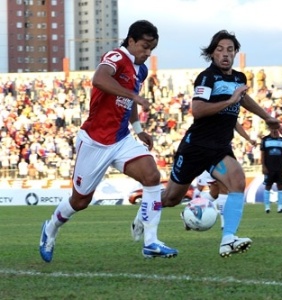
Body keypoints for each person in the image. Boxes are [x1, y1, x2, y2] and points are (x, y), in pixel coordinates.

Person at [131, 30, 282, 258]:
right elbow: (198, 110)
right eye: (220, 49)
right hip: (196, 147)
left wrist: (266, 116)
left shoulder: (239, 78)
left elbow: (245, 99)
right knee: (172, 198)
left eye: (230, 50)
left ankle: (228, 239)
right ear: (212, 54)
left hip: (219, 149)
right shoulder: (207, 77)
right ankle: (144, 213)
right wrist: (230, 100)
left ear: (235, 53)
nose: (225, 54)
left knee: (237, 181)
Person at [39, 20, 178, 263]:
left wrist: (138, 129)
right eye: (144, 47)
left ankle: (151, 242)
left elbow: (128, 102)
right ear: (131, 41)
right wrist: (134, 94)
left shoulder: (140, 69)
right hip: (95, 141)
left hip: (121, 139)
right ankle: (50, 228)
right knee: (80, 201)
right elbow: (99, 79)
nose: (147, 53)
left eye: (151, 49)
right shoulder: (116, 56)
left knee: (152, 176)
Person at [260, 128, 282, 213]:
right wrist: (263, 166)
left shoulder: (281, 140)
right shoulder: (265, 139)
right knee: (268, 186)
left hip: (279, 167)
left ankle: (280, 207)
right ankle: (267, 207)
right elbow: (262, 153)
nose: (275, 130)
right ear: (270, 129)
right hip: (269, 167)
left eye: (276, 128)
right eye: (273, 128)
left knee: (280, 186)